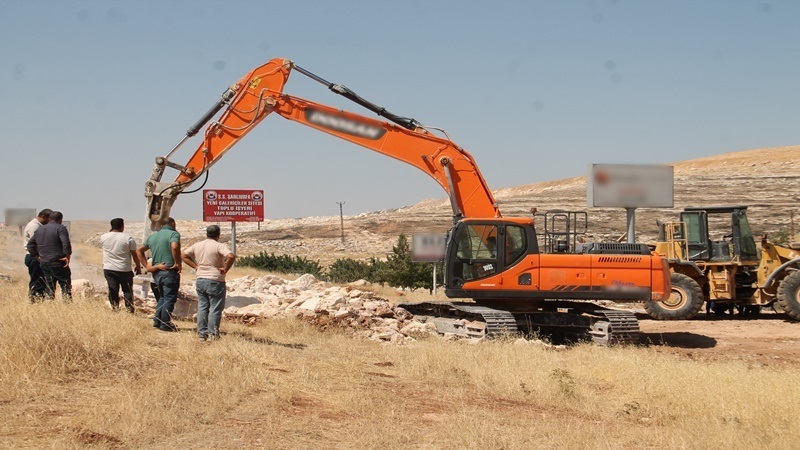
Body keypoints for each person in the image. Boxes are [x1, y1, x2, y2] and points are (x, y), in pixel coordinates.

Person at [181, 225, 235, 341]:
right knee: (215, 308)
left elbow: (184, 255)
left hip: (200, 278)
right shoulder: (219, 246)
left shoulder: (198, 245)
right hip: (215, 279)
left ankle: (202, 333)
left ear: (207, 233)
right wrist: (225, 269)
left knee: (202, 307)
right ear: (218, 234)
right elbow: (231, 256)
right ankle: (213, 334)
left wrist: (196, 266)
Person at [137, 217, 181, 332]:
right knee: (169, 298)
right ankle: (165, 323)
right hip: (169, 270)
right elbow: (175, 247)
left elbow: (139, 250)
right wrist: (177, 263)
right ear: (172, 223)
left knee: (162, 297)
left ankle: (157, 321)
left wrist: (147, 266)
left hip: (157, 273)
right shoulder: (173, 234)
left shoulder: (153, 236)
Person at [27, 211, 72, 301]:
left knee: (49, 286)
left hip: (44, 262)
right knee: (65, 285)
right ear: (60, 220)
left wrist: (37, 256)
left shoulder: (40, 229)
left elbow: (30, 245)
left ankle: (49, 305)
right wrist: (67, 257)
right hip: (58, 261)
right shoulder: (60, 228)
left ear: (50, 219)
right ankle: (68, 307)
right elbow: (65, 243)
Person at [100, 218, 142, 313]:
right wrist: (138, 266)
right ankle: (129, 310)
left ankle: (115, 309)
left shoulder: (103, 237)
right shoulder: (128, 238)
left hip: (109, 268)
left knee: (113, 290)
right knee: (127, 291)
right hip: (124, 269)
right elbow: (134, 254)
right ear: (122, 226)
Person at [23, 209, 52, 301]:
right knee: (37, 281)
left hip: (35, 256)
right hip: (34, 257)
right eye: (49, 219)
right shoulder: (35, 226)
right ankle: (34, 301)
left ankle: (38, 300)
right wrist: (38, 256)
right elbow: (34, 244)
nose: (49, 222)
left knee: (40, 281)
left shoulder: (36, 225)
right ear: (43, 216)